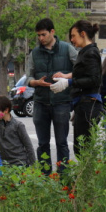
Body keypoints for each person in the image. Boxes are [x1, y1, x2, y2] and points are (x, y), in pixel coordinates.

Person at [26, 18, 77, 173]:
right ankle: (44, 177)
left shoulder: (67, 49)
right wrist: (36, 83)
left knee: (62, 142)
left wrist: (67, 77)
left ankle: (63, 177)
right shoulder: (34, 53)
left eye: (43, 34)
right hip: (41, 102)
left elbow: (81, 71)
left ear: (52, 32)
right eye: (38, 36)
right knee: (42, 143)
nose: (41, 38)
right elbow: (28, 78)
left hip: (62, 102)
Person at [50, 20, 103, 156]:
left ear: (83, 34)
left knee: (82, 149)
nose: (71, 39)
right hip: (84, 104)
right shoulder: (86, 52)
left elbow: (94, 79)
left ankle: (88, 176)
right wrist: (66, 76)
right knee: (82, 148)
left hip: (88, 105)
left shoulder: (90, 52)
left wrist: (69, 82)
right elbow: (85, 73)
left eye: (73, 36)